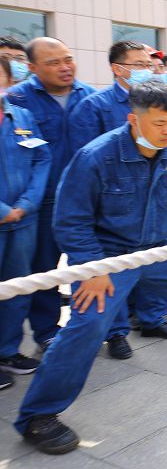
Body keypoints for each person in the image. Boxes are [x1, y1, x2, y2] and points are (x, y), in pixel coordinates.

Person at [15, 80, 167, 455]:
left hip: (162, 250)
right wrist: (93, 268)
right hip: (109, 258)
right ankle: (38, 416)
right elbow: (71, 221)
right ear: (133, 119)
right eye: (159, 123)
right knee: (85, 327)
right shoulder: (96, 157)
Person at [73, 41, 167, 355]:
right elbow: (83, 161)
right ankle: (117, 332)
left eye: (147, 64)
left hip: (157, 199)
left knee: (163, 259)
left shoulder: (162, 102)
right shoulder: (95, 106)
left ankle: (154, 317)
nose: (146, 70)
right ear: (118, 69)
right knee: (114, 271)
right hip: (113, 207)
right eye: (138, 64)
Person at [7, 38, 96, 353]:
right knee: (42, 271)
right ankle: (46, 330)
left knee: (88, 266)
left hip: (85, 201)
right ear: (31, 68)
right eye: (53, 62)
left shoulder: (90, 97)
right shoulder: (18, 100)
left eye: (68, 59)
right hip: (40, 203)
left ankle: (91, 326)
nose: (65, 67)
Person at [0, 55, 52, 389]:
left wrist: (28, 203)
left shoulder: (22, 117)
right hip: (6, 214)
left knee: (18, 287)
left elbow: (42, 157)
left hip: (23, 221)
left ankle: (7, 350)